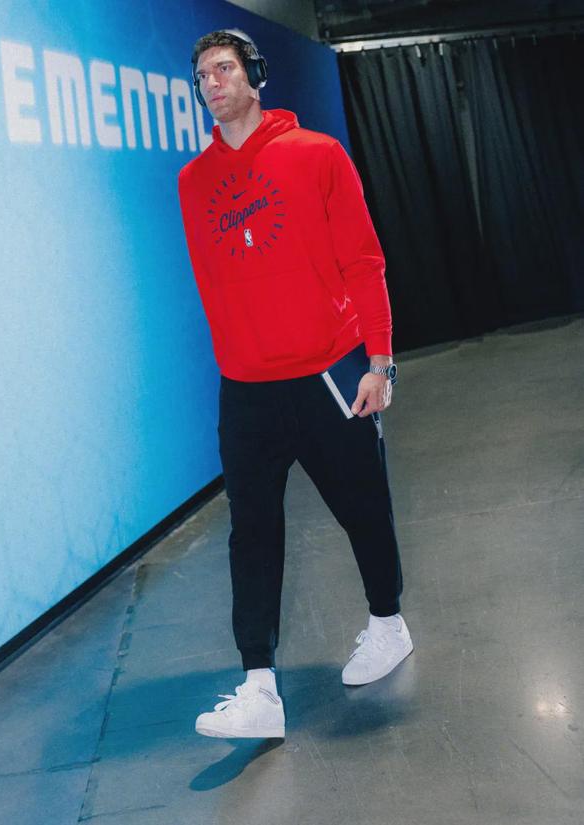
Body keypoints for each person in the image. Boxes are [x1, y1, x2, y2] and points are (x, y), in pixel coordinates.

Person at [177, 28, 413, 740]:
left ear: (255, 75)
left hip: (327, 372)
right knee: (251, 533)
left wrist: (379, 361)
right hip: (247, 389)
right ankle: (259, 688)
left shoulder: (317, 154)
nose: (213, 83)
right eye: (203, 75)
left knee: (363, 508)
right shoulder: (193, 182)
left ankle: (388, 623)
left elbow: (363, 260)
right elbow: (216, 282)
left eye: (224, 69)